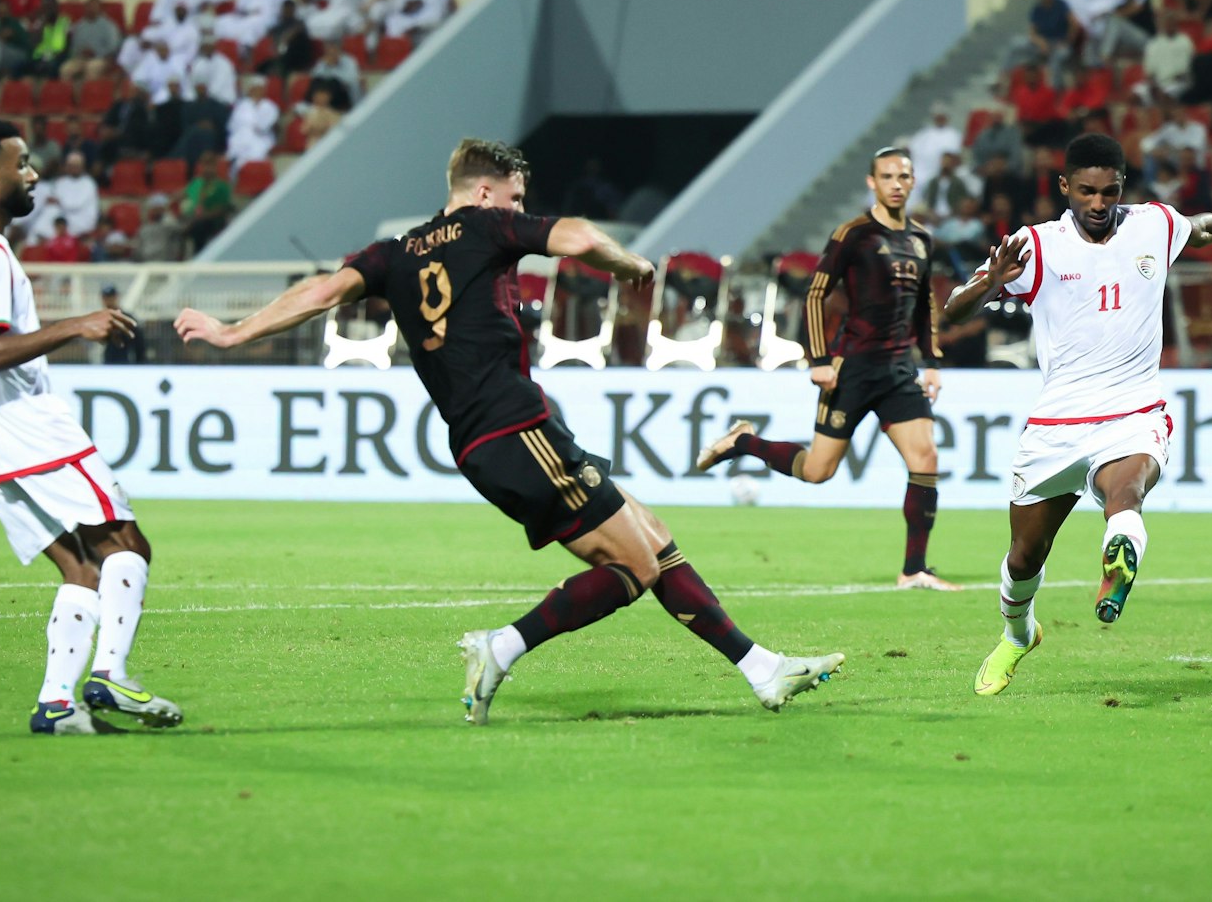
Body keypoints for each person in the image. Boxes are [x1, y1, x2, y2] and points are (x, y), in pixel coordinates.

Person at [175, 138, 843, 721]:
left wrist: (232, 331)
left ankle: (761, 666)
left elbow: (320, 291)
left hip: (484, 437)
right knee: (634, 566)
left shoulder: (393, 253)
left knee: (655, 540)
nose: (520, 209)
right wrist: (630, 264)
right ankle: (501, 646)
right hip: (515, 425)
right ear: (486, 190)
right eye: (516, 197)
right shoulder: (490, 227)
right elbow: (578, 236)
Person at [935, 133, 1212, 695]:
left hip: (1132, 410)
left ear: (1122, 187)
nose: (1098, 204)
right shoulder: (1035, 246)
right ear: (1064, 187)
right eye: (1086, 192)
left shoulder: (1153, 224)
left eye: (1109, 191)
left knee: (1126, 491)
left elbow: (1202, 226)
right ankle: (1018, 636)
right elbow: (951, 309)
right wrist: (993, 282)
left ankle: (1117, 565)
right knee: (1024, 558)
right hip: (1056, 424)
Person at [0, 119, 180, 734]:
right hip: (29, 426)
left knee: (81, 569)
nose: (33, 174)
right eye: (22, 163)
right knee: (126, 547)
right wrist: (75, 325)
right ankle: (111, 677)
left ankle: (57, 704)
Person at [699, 146, 954, 590]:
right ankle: (744, 441)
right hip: (853, 366)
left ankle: (914, 569)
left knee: (925, 457)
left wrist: (930, 362)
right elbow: (815, 294)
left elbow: (922, 305)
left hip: (898, 371)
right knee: (818, 471)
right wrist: (818, 360)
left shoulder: (921, 241)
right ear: (872, 182)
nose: (897, 183)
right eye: (888, 176)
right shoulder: (853, 234)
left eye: (904, 176)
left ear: (913, 182)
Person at [1139, 9, 1194, 104]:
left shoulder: (1185, 42)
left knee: (1165, 96)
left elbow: (1188, 70)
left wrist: (1168, 83)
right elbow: (1149, 72)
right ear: (1163, 24)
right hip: (1157, 83)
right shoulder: (1154, 44)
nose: (1170, 25)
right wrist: (1154, 85)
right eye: (1167, 22)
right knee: (1135, 96)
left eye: (1172, 22)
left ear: (1176, 24)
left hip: (1178, 83)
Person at [1026, 0, 1082, 69]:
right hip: (1043, 43)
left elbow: (1075, 24)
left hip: (1059, 43)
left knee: (1057, 57)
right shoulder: (1037, 8)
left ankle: (1055, 83)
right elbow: (1032, 32)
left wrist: (1067, 42)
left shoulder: (1061, 4)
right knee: (1016, 46)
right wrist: (1040, 42)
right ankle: (1004, 77)